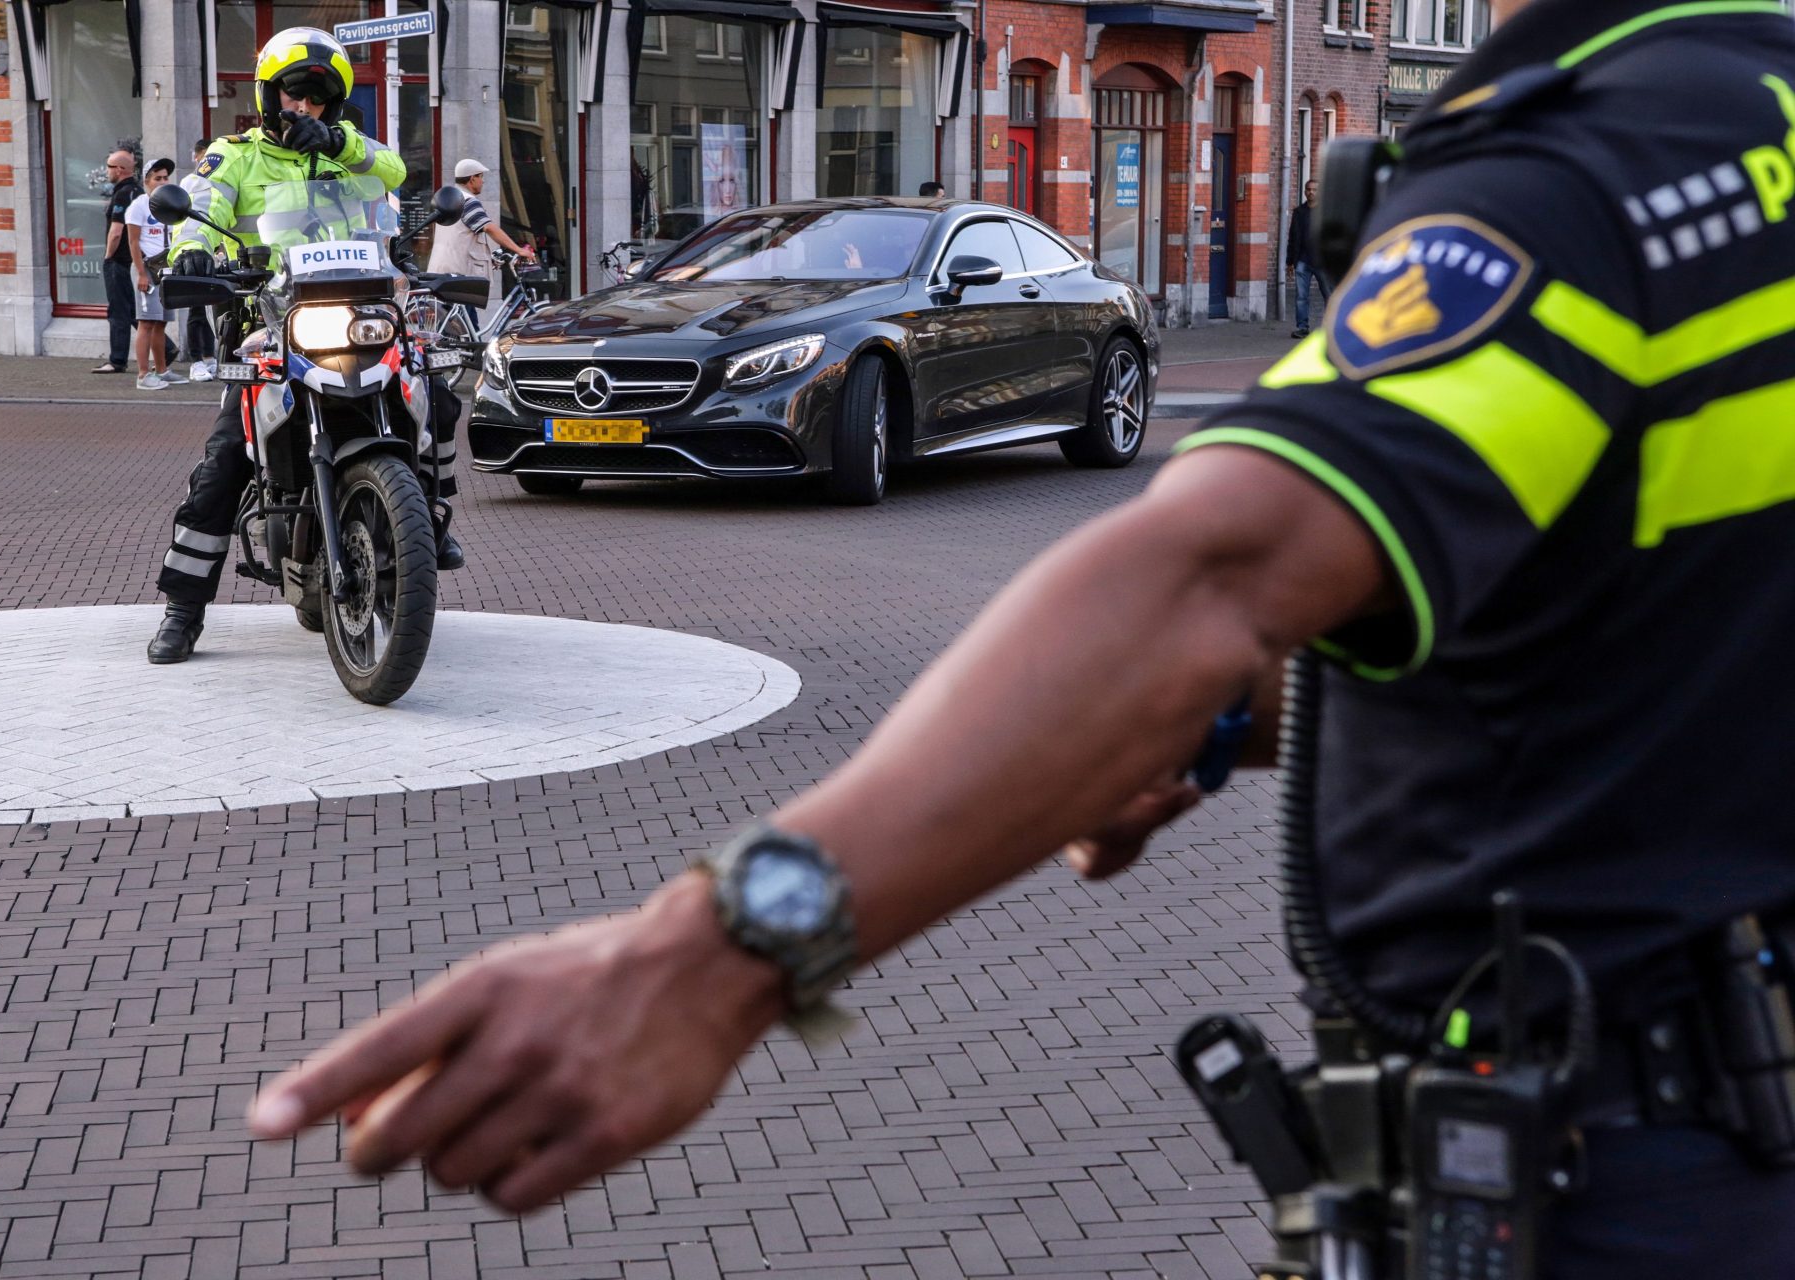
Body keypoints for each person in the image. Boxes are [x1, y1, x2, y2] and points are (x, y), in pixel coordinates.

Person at [245, 1, 1795, 1271]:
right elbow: (1666, 629)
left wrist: (708, 955)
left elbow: (1210, 577)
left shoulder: (1600, 176)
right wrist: (1210, 715)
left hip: (1626, 1177)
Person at [146, 26, 465, 665]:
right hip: (267, 319)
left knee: (434, 392)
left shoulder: (350, 153)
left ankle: (428, 517)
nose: (305, 107)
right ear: (269, 96)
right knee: (224, 464)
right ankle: (183, 611)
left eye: (319, 98)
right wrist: (193, 256)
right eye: (294, 94)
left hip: (358, 314)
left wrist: (339, 143)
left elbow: (397, 171)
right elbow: (195, 210)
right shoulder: (235, 156)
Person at [426, 157, 535, 325]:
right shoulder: (468, 202)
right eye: (481, 177)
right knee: (469, 328)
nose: (483, 182)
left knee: (454, 327)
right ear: (472, 179)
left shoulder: (449, 199)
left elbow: (460, 238)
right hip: (459, 275)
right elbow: (490, 228)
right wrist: (519, 250)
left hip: (442, 271)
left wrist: (487, 258)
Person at [126, 158, 183, 391]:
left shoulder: (169, 204)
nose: (162, 182)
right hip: (147, 267)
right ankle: (142, 374)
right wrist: (140, 273)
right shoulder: (138, 206)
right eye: (157, 178)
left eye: (165, 178)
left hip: (165, 267)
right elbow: (133, 241)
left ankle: (162, 370)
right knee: (147, 322)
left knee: (161, 323)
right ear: (146, 181)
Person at [90, 147, 141, 375]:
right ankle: (168, 349)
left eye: (110, 167)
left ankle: (117, 360)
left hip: (119, 261)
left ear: (120, 169)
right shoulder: (137, 191)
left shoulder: (122, 194)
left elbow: (116, 230)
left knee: (118, 311)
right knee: (131, 310)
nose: (107, 171)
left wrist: (108, 256)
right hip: (132, 261)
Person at [180, 138, 219, 382]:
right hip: (196, 253)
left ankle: (211, 356)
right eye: (206, 156)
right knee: (196, 311)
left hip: (218, 257)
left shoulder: (222, 181)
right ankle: (196, 361)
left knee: (217, 312)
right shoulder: (190, 184)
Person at [1285, 178, 1327, 339]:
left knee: (1329, 295)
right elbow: (1292, 238)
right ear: (1305, 192)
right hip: (1302, 260)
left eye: (1314, 189)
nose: (1311, 192)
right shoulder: (1298, 212)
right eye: (1308, 189)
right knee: (1301, 296)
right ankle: (1302, 327)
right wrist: (1289, 261)